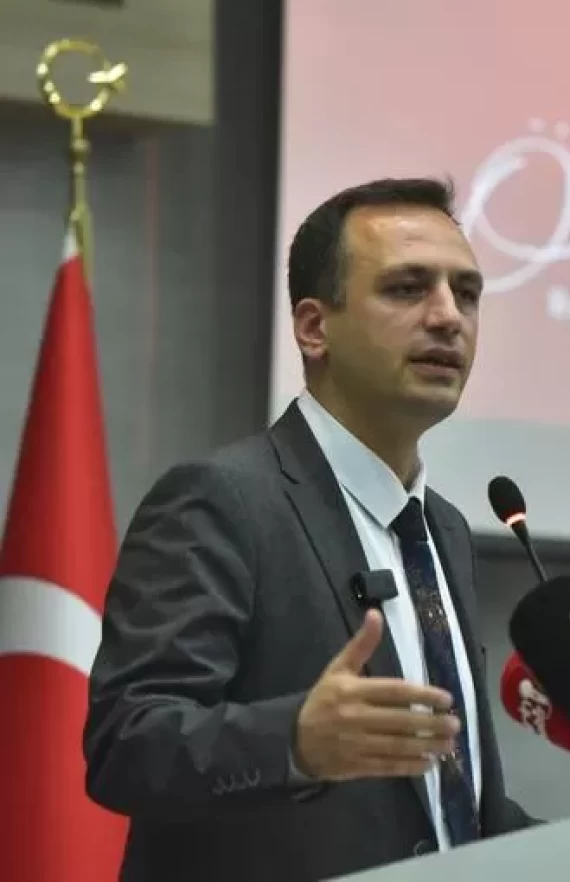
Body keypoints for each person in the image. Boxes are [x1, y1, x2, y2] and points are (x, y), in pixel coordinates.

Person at [84, 177, 538, 882]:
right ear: (313, 327)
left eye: (467, 293)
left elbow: (448, 810)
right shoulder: (224, 501)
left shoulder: (444, 530)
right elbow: (127, 745)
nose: (449, 317)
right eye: (407, 288)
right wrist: (294, 741)